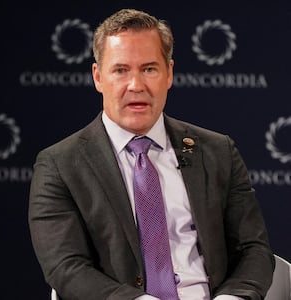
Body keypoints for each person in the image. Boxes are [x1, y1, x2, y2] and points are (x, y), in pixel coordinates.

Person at [28, 8, 275, 300]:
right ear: (97, 77)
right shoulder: (60, 165)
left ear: (168, 73)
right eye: (121, 70)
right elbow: (65, 267)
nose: (136, 86)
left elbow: (254, 249)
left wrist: (232, 298)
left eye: (149, 69)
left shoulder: (218, 151)